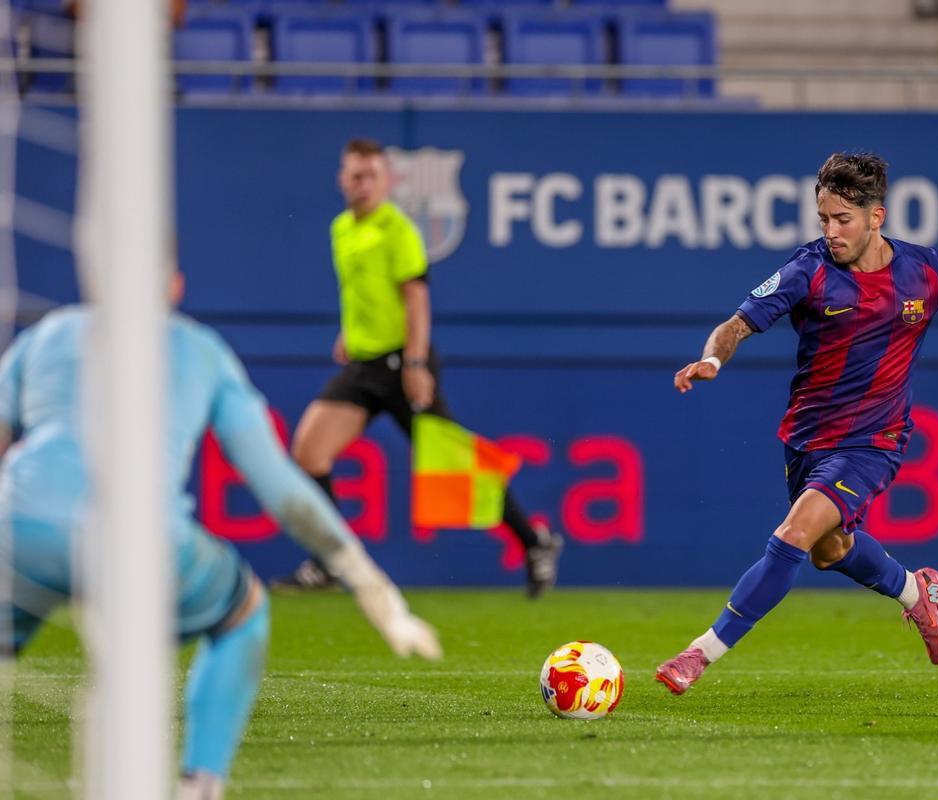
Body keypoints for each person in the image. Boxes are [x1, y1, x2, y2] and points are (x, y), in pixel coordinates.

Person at [656, 152, 938, 695]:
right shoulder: (805, 271)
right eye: (824, 220)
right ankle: (914, 591)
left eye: (842, 220)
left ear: (876, 218)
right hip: (807, 440)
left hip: (873, 443)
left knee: (795, 533)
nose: (831, 232)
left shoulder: (923, 270)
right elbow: (736, 324)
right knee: (829, 550)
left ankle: (699, 654)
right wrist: (713, 359)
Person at [0, 272, 441, 800]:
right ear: (175, 285)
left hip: (18, 535)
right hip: (144, 545)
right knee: (243, 613)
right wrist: (370, 585)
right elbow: (280, 487)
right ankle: (199, 787)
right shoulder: (200, 350)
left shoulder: (46, 335)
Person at [273, 137, 563, 598]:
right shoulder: (341, 228)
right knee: (309, 451)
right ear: (341, 179)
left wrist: (414, 362)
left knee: (457, 464)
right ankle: (331, 560)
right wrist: (351, 334)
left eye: (371, 175)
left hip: (401, 364)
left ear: (387, 181)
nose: (362, 184)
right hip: (365, 364)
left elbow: (416, 300)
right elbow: (363, 293)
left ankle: (535, 542)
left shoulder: (399, 230)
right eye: (355, 175)